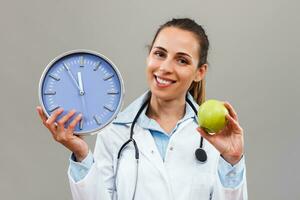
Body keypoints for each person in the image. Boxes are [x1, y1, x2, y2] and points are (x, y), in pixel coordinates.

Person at [37, 18, 247, 200]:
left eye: (181, 60)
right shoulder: (114, 132)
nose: (165, 68)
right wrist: (81, 153)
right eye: (159, 54)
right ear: (149, 57)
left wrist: (232, 160)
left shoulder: (214, 138)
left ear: (199, 72)